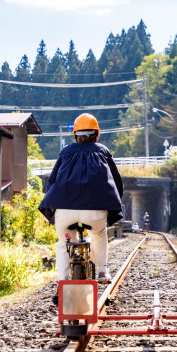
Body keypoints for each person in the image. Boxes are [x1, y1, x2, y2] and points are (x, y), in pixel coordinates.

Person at [39, 113, 124, 287]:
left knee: (63, 244)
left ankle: (61, 281)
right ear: (97, 135)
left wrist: (54, 204)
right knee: (99, 233)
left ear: (75, 135)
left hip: (64, 210)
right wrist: (112, 203)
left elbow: (52, 181)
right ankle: (102, 271)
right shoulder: (103, 151)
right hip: (94, 212)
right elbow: (116, 183)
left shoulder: (66, 152)